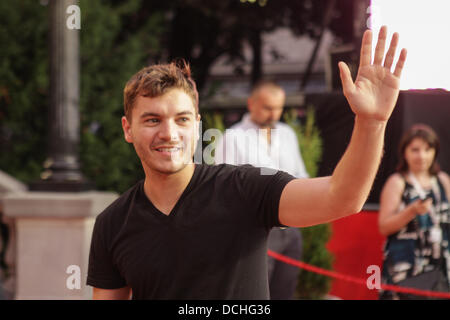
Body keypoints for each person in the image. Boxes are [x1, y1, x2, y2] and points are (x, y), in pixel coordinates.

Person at [87, 26, 407, 299]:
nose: (169, 133)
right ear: (128, 129)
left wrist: (372, 122)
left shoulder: (243, 188)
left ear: (197, 126)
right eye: (152, 120)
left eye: (182, 119)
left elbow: (343, 197)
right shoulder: (112, 224)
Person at [214, 81, 307, 299]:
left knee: (285, 288)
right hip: (255, 228)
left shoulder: (287, 134)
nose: (273, 114)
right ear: (251, 104)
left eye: (279, 108)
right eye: (267, 107)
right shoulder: (232, 137)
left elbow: (301, 175)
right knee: (254, 294)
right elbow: (223, 188)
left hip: (291, 225)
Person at [378, 124, 450, 299]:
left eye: (427, 149)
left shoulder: (442, 180)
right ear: (405, 152)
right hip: (406, 268)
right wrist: (411, 211)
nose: (422, 156)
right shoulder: (397, 182)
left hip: (440, 265)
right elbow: (384, 227)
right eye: (415, 150)